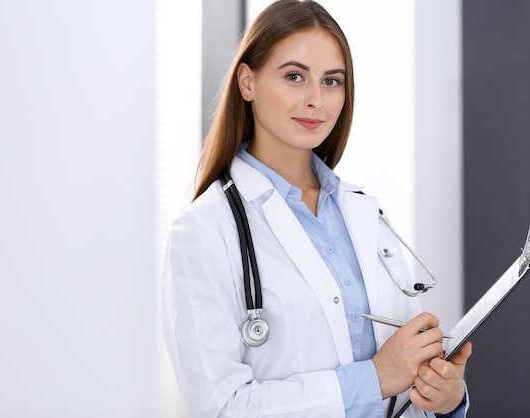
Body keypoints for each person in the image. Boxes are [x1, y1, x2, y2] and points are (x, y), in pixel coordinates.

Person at [162, 1, 472, 417]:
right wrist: (374, 379)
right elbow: (223, 408)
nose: (316, 100)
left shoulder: (364, 214)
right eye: (294, 76)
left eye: (331, 81)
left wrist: (444, 399)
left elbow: (406, 379)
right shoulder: (202, 232)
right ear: (247, 82)